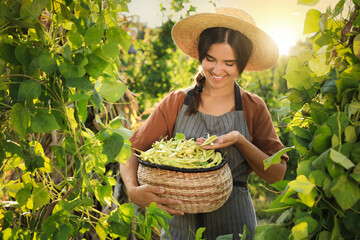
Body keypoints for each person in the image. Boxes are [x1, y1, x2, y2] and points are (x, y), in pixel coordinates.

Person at [120, 7, 288, 240]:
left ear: (242, 64)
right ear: (201, 56)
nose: (217, 70)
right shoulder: (176, 102)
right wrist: (132, 189)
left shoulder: (253, 106)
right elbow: (130, 150)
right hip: (180, 229)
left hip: (235, 226)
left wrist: (239, 140)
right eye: (210, 59)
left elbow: (277, 173)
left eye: (229, 63)